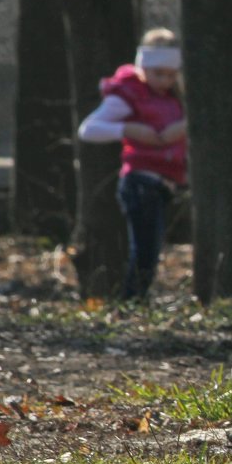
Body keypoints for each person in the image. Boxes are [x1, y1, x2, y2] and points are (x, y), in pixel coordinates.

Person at [78, 28, 188, 300]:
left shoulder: (176, 98)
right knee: (144, 251)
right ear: (144, 68)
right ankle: (132, 302)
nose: (164, 80)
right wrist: (129, 130)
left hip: (164, 184)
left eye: (171, 75)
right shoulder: (129, 93)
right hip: (139, 183)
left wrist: (183, 129)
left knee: (150, 252)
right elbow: (89, 129)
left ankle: (134, 299)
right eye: (158, 73)